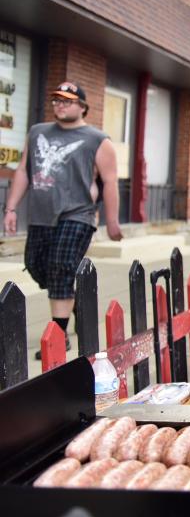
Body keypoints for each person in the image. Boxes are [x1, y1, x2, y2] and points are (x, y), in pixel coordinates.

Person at [3, 82, 122, 358]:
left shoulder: (97, 139)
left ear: (82, 106)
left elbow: (110, 181)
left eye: (67, 101)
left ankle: (59, 334)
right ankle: (73, 301)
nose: (60, 104)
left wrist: (112, 222)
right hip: (41, 215)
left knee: (60, 266)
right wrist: (10, 209)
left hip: (78, 214)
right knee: (35, 265)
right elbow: (23, 170)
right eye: (56, 99)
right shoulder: (37, 132)